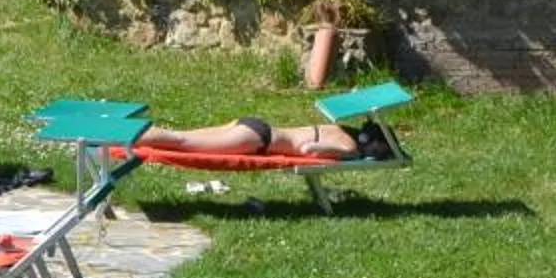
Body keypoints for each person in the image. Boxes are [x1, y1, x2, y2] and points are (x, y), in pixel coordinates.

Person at [136, 113, 398, 160]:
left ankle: (121, 134)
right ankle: (120, 137)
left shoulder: (338, 128)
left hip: (255, 127)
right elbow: (308, 149)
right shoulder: (348, 143)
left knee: (178, 137)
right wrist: (348, 153)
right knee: (179, 141)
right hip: (259, 139)